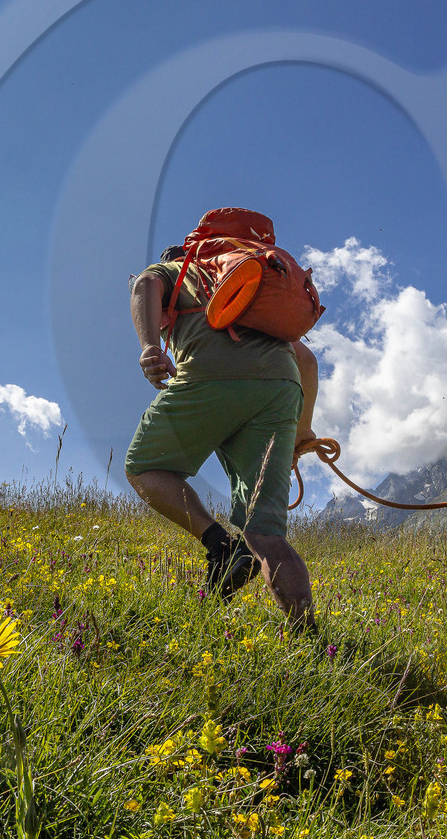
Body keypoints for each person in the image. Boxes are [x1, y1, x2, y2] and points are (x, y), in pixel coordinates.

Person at [124, 240, 320, 629]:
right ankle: (310, 641)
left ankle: (220, 545)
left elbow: (145, 283)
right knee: (265, 533)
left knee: (143, 468)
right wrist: (302, 431)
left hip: (211, 375)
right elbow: (307, 360)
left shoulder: (181, 271)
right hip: (280, 387)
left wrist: (149, 346)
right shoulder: (247, 293)